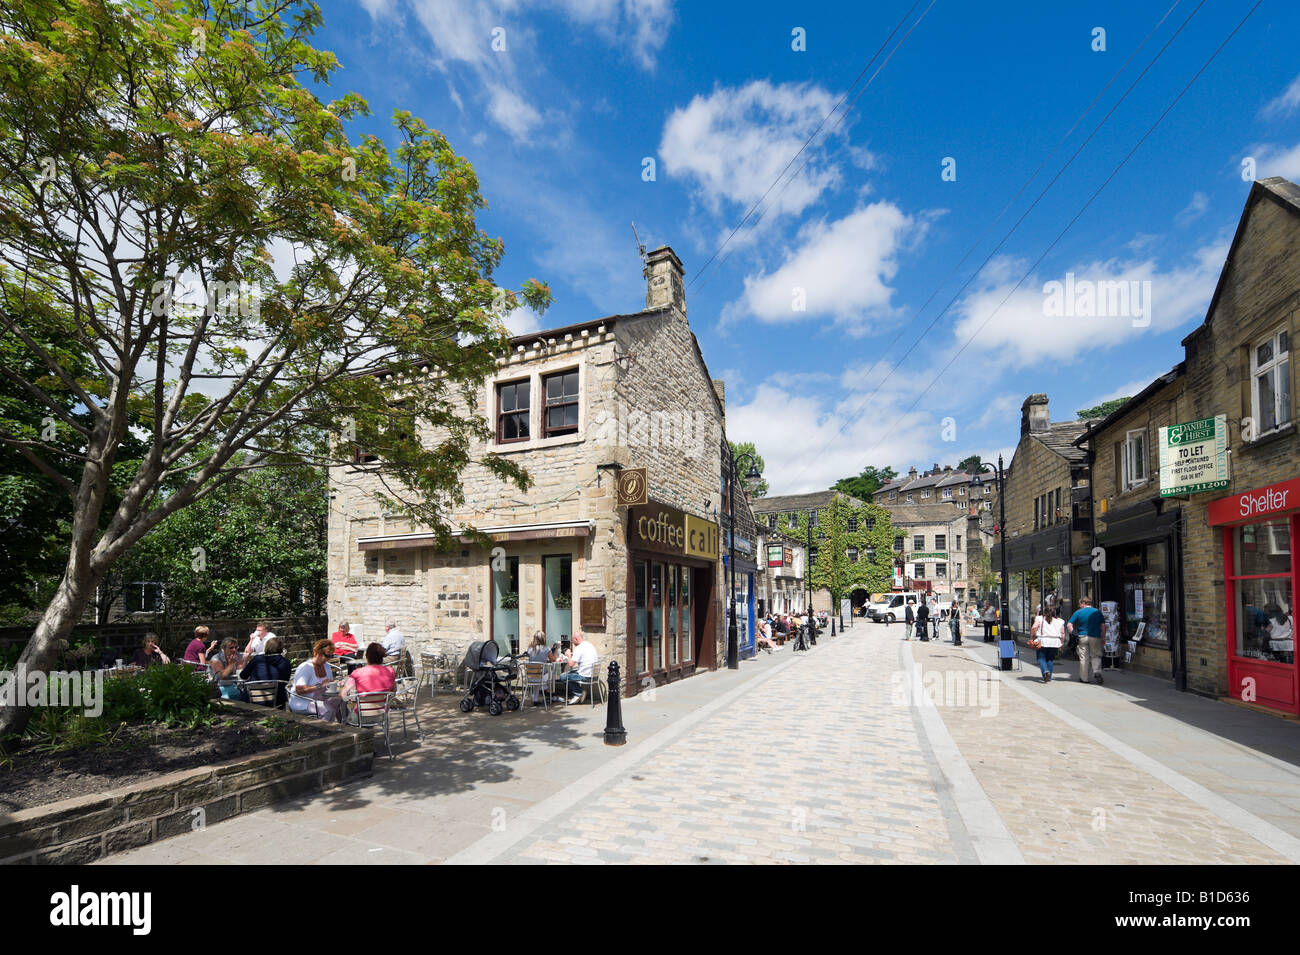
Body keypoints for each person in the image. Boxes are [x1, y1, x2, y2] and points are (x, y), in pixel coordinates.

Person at [340, 642, 397, 721]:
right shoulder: (390, 671)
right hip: (382, 714)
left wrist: (354, 699)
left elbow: (343, 694)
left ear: (367, 657)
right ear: (382, 657)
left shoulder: (358, 672)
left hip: (361, 715)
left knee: (344, 714)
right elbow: (393, 691)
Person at [289, 639, 343, 721]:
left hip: (321, 699)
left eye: (331, 656)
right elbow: (299, 690)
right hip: (303, 701)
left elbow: (329, 686)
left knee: (342, 702)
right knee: (328, 710)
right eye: (327, 655)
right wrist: (319, 686)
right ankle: (324, 730)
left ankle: (343, 726)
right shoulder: (306, 667)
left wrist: (337, 685)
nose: (328, 659)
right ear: (317, 652)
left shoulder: (326, 666)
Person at [240, 636, 292, 706]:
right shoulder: (285, 662)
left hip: (252, 700)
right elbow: (285, 681)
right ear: (281, 649)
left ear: (266, 647)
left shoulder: (257, 659)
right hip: (276, 701)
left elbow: (243, 676)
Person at [1067, 596, 1106, 685]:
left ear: (1083, 603)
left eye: (1080, 604)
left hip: (1082, 636)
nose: (1079, 606)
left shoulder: (1078, 612)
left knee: (1084, 658)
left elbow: (1069, 625)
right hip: (1095, 636)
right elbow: (1103, 626)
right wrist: (1103, 637)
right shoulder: (1097, 612)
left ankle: (1084, 678)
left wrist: (1073, 633)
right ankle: (1096, 671)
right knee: (1096, 655)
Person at [558, 630, 597, 704]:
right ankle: (581, 692)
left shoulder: (579, 648)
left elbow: (571, 664)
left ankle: (578, 693)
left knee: (563, 676)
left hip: (585, 676)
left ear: (576, 639)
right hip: (592, 675)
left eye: (572, 640)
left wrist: (569, 655)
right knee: (571, 672)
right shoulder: (589, 645)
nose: (572, 642)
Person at [1030, 605, 1066, 683]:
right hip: (1055, 642)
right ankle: (1049, 677)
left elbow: (1034, 627)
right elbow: (1062, 633)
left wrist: (1032, 636)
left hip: (1043, 641)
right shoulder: (1060, 620)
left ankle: (1046, 671)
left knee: (1041, 658)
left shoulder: (1040, 618)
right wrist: (1062, 643)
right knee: (1050, 659)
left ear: (1045, 612)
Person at [525, 631, 556, 705]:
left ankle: (535, 699)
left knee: (538, 676)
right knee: (552, 672)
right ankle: (549, 692)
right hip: (541, 677)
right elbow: (553, 660)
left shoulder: (529, 649)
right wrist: (556, 649)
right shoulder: (546, 649)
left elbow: (533, 658)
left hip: (530, 677)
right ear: (543, 639)